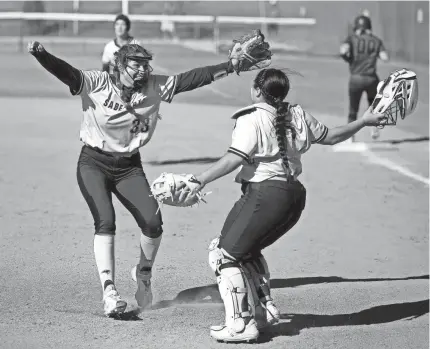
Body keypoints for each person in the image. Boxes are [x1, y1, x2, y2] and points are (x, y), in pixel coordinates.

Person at [27, 40, 253, 318]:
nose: (142, 71)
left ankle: (143, 274)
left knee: (153, 223)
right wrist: (42, 54)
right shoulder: (97, 82)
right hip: (93, 164)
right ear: (120, 66)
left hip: (129, 168)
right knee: (105, 221)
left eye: (145, 65)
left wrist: (230, 66)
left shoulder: (154, 87)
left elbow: (192, 78)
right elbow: (68, 73)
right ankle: (109, 291)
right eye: (135, 65)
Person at [181, 68, 386, 342]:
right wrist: (364, 121)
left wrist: (199, 179)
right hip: (294, 197)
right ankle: (261, 315)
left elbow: (233, 159)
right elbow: (333, 136)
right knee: (246, 250)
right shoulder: (298, 114)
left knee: (223, 255)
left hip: (264, 196)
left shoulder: (251, 118)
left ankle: (240, 325)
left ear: (256, 90)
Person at [340, 15, 389, 141]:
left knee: (353, 109)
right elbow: (385, 57)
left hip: (356, 79)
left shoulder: (351, 39)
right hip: (371, 79)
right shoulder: (376, 40)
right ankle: (375, 128)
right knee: (374, 106)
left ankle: (350, 136)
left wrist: (348, 58)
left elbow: (343, 51)